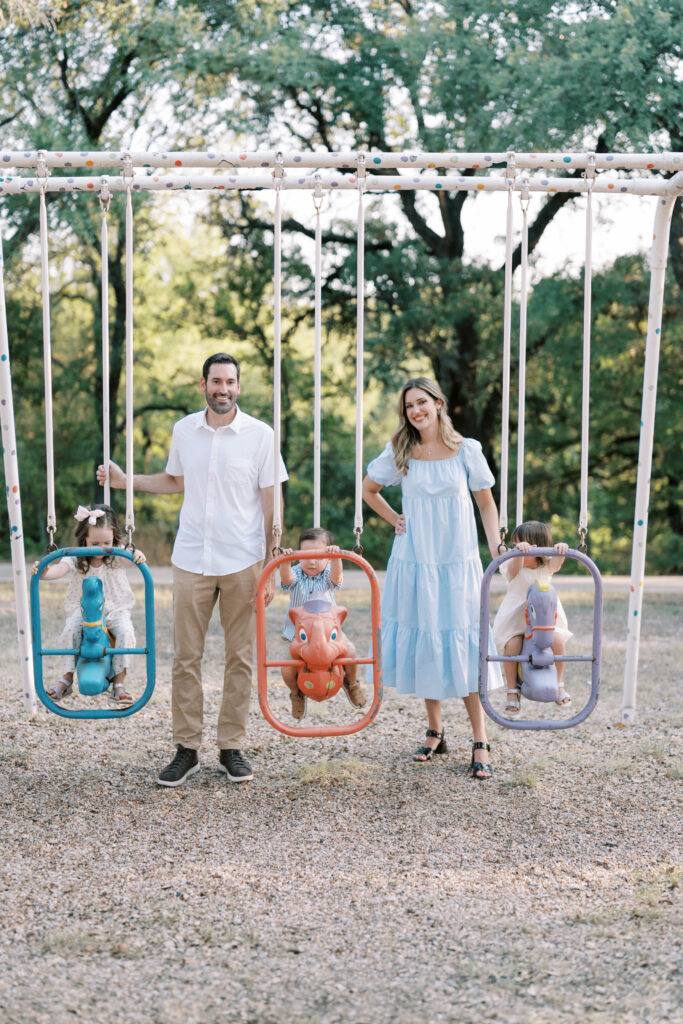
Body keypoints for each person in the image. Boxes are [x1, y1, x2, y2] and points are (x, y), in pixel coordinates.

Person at [96, 353, 288, 788]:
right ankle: (186, 748)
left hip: (244, 560)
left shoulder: (261, 435)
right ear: (203, 384)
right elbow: (174, 480)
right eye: (216, 381)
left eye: (230, 382)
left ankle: (231, 747)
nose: (223, 388)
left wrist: (273, 562)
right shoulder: (185, 429)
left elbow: (271, 501)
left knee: (240, 658)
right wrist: (127, 482)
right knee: (186, 658)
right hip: (191, 559)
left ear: (239, 386)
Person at [362, 376, 503, 780]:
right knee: (426, 634)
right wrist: (396, 520)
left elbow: (486, 503)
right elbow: (369, 490)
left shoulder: (466, 451)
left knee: (461, 640)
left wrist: (495, 547)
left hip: (457, 562)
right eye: (409, 406)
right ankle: (435, 729)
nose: (416, 411)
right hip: (416, 559)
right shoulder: (402, 451)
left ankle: (480, 737)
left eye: (422, 402)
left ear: (438, 403)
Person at [31, 503, 146, 704]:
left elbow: (133, 560)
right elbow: (59, 570)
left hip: (116, 608)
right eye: (95, 543)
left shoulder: (117, 555)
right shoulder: (76, 557)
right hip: (82, 609)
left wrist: (138, 555)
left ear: (114, 538)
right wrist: (44, 571)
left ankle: (119, 683)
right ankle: (66, 679)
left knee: (126, 633)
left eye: (106, 542)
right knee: (70, 631)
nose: (101, 548)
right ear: (85, 539)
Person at [279, 526, 366, 720]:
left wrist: (335, 559)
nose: (312, 561)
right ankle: (296, 693)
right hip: (297, 635)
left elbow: (336, 578)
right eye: (306, 555)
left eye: (319, 556)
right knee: (286, 668)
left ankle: (351, 683)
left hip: (329, 634)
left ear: (326, 558)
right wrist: (285, 561)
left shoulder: (327, 573)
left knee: (350, 653)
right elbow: (286, 579)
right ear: (299, 556)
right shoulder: (296, 573)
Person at [492, 520, 572, 713]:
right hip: (516, 619)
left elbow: (557, 563)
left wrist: (561, 549)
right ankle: (512, 689)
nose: (518, 549)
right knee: (512, 646)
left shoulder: (545, 568)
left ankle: (559, 683)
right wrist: (519, 553)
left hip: (544, 619)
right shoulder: (512, 565)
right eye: (516, 544)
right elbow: (513, 570)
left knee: (558, 641)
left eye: (525, 544)